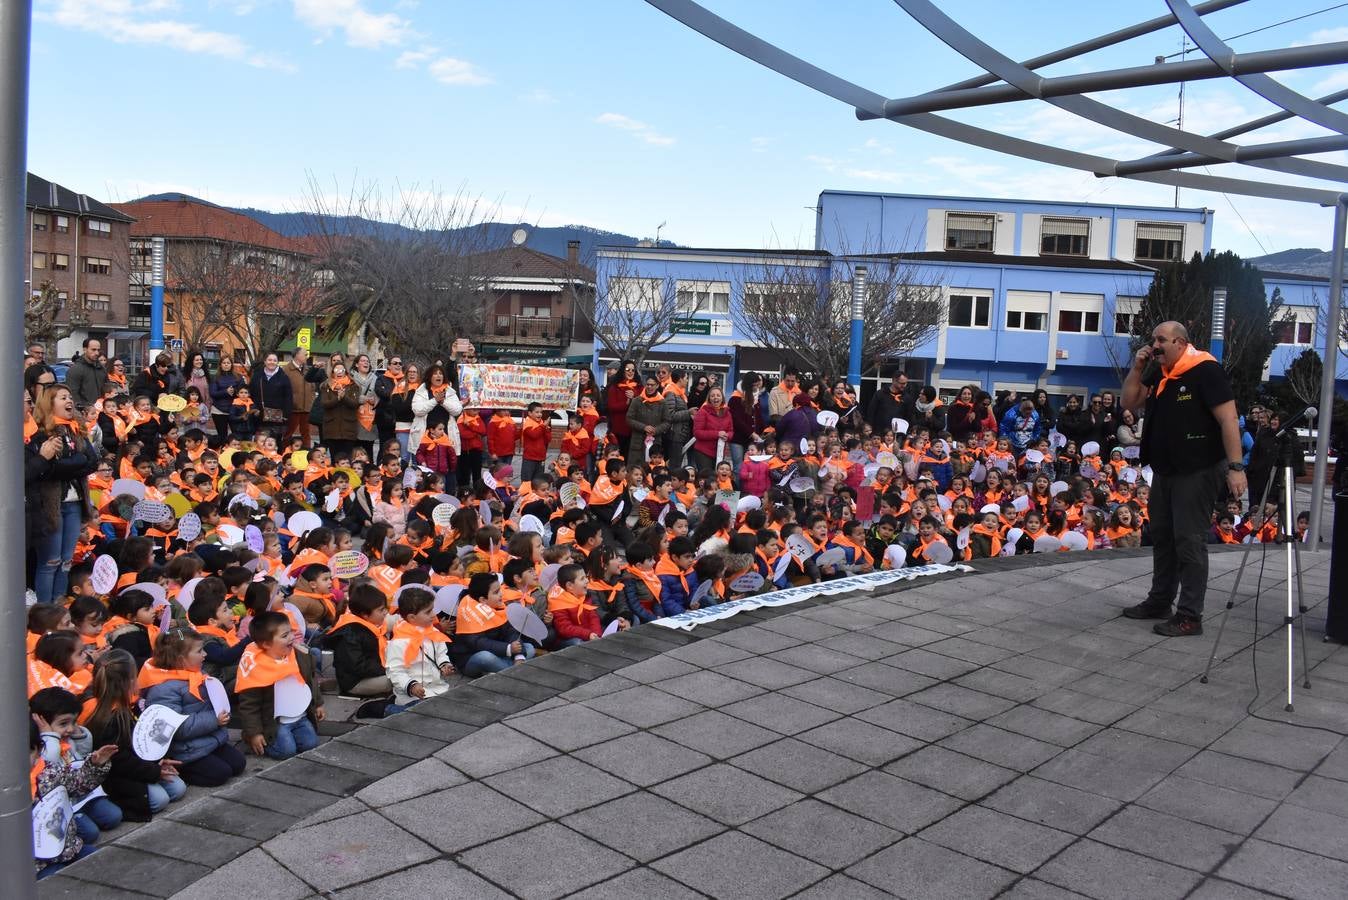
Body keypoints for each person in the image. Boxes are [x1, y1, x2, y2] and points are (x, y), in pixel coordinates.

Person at [1120, 321, 1245, 636]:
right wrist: (1137, 368)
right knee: (1162, 534)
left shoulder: (1205, 370)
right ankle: (1160, 600)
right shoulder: (1159, 371)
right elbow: (1129, 402)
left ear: (1180, 342)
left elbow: (1228, 418)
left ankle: (1190, 615)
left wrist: (1236, 466)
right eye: (1153, 339)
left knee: (1189, 540)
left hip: (1198, 468)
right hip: (1166, 468)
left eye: (1161, 340)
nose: (1155, 345)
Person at [139, 628, 246, 786]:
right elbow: (176, 728)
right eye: (199, 651)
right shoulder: (163, 690)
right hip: (185, 750)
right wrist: (214, 720)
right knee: (220, 774)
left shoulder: (196, 674)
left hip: (207, 739)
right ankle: (183, 771)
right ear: (181, 659)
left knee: (238, 764)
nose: (205, 654)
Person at [27, 385, 98, 603]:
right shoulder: (40, 434)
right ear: (49, 404)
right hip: (51, 506)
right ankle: (44, 609)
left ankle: (59, 605)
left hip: (75, 503)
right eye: (62, 397)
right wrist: (77, 461)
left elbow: (92, 461)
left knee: (67, 560)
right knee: (50, 561)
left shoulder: (76, 430)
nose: (69, 401)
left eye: (70, 396)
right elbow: (48, 470)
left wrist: (69, 463)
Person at [236, 612, 325, 759]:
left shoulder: (298, 655)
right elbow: (249, 705)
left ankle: (291, 735)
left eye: (290, 631)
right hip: (275, 721)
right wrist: (254, 733)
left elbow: (310, 679)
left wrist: (318, 703)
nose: (291, 637)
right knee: (286, 751)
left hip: (300, 716)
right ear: (266, 644)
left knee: (311, 744)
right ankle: (257, 739)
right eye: (284, 636)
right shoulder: (255, 666)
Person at [409, 363, 463, 458]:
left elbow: (457, 410)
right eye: (435, 373)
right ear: (429, 377)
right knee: (425, 469)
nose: (438, 375)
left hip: (446, 435)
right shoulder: (421, 391)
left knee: (445, 468)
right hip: (425, 437)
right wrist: (435, 401)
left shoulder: (449, 392)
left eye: (440, 373)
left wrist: (443, 402)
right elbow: (417, 410)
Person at [626, 375, 670, 466]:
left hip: (655, 442)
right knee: (635, 469)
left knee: (653, 468)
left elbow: (667, 422)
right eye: (648, 384)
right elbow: (629, 419)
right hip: (637, 442)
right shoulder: (637, 400)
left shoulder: (663, 402)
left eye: (652, 385)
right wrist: (644, 427)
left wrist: (656, 430)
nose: (649, 387)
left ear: (657, 385)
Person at [690, 386, 733, 477]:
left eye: (718, 395)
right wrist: (717, 434)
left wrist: (727, 435)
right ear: (709, 398)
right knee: (707, 478)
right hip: (703, 451)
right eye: (712, 396)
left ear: (722, 398)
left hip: (719, 452)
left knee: (718, 478)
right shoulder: (703, 412)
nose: (715, 398)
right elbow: (697, 433)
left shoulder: (727, 413)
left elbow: (731, 430)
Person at [252, 352, 293, 440]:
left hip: (278, 417)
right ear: (265, 361)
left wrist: (286, 415)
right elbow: (252, 394)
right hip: (260, 416)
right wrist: (254, 408)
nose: (272, 362)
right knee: (261, 442)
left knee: (276, 442)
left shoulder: (284, 377)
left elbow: (288, 398)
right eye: (269, 360)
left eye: (275, 360)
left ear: (277, 362)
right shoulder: (257, 376)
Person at [66, 338, 107, 407]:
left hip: (103, 410)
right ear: (85, 350)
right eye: (93, 350)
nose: (97, 353)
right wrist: (82, 410)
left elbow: (107, 388)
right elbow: (73, 393)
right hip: (85, 412)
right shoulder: (76, 369)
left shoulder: (101, 368)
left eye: (98, 350)